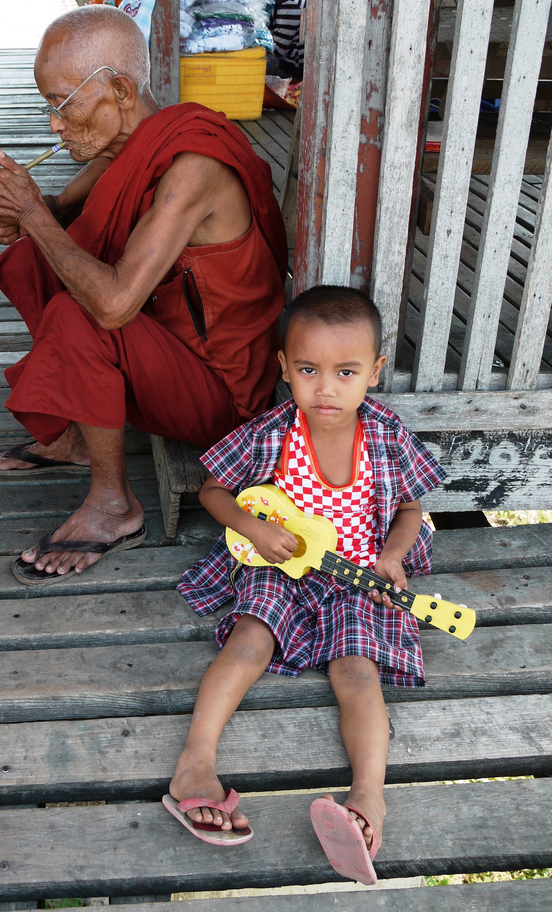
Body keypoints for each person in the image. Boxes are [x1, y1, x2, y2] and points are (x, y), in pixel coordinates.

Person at [0, 5, 287, 585]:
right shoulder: (124, 150)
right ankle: (76, 434)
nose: (54, 126)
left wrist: (33, 217)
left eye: (63, 105)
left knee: (83, 310)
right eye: (50, 107)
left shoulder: (191, 164)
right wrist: (11, 212)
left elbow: (115, 304)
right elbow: (46, 222)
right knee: (37, 259)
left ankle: (114, 505)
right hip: (167, 348)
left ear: (119, 88)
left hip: (220, 394)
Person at [165, 286, 446, 882]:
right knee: (248, 640)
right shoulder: (273, 433)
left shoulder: (386, 434)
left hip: (357, 576)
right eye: (309, 370)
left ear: (373, 372)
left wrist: (393, 558)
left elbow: (410, 509)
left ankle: (368, 796)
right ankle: (195, 764)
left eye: (345, 372)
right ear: (284, 368)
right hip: (283, 566)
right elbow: (213, 489)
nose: (326, 388)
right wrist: (249, 527)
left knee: (357, 670)